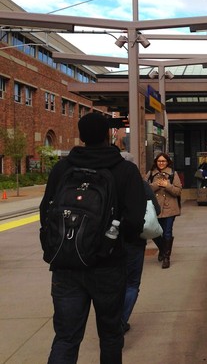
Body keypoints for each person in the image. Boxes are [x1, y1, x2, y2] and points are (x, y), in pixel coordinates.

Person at [39, 112, 146, 363]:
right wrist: (116, 242)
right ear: (109, 135)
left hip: (66, 265)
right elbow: (134, 222)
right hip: (108, 266)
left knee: (65, 338)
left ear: (82, 136)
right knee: (110, 336)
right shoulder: (125, 170)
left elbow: (46, 213)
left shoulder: (63, 168)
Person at [120, 152, 161, 334]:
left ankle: (112, 319)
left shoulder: (108, 182)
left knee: (114, 282)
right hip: (135, 240)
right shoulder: (141, 185)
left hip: (111, 241)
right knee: (131, 283)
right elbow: (156, 210)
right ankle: (121, 321)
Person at [147, 153, 182, 269]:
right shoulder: (151, 173)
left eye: (163, 161)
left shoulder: (173, 173)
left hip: (169, 208)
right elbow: (145, 189)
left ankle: (166, 257)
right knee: (154, 232)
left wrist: (167, 185)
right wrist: (156, 185)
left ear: (167, 162)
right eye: (159, 161)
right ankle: (163, 249)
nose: (161, 163)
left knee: (167, 232)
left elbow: (178, 191)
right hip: (155, 208)